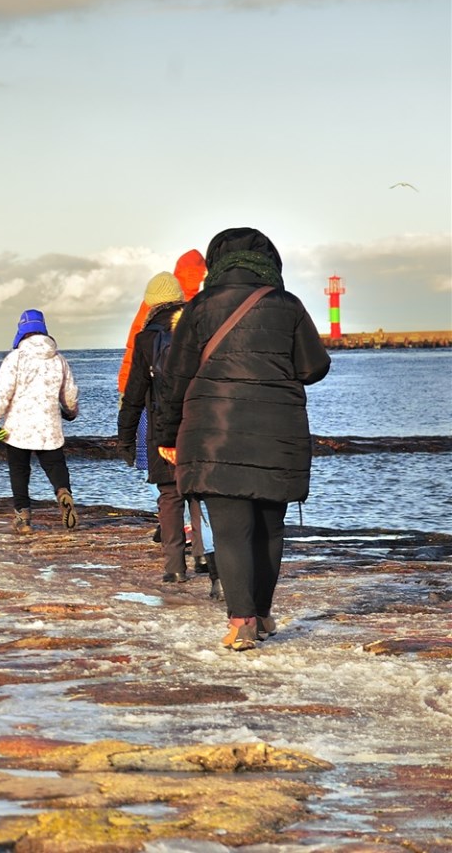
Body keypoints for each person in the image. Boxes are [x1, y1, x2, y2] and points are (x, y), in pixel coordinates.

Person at [152, 227, 329, 652]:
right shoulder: (287, 305)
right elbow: (314, 368)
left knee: (231, 531)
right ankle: (263, 614)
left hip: (214, 435)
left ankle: (241, 621)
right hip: (277, 434)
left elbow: (175, 378)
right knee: (270, 528)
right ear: (270, 261)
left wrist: (165, 435)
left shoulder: (199, 308)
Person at [0, 309, 81, 533]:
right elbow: (70, 393)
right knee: (55, 465)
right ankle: (63, 492)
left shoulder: (15, 358)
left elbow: (1, 394)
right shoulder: (59, 359)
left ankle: (23, 518)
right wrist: (71, 412)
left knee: (19, 470)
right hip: (50, 427)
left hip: (16, 429)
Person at [117, 272, 190, 581]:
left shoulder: (146, 338)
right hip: (199, 425)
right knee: (201, 495)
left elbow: (134, 395)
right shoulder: (198, 328)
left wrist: (125, 440)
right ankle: (209, 565)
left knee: (170, 496)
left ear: (151, 304)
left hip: (161, 428)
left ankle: (174, 568)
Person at [118, 250, 206, 396]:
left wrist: (125, 383)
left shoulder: (154, 301)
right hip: (187, 391)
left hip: (146, 384)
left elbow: (134, 343)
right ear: (204, 274)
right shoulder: (204, 303)